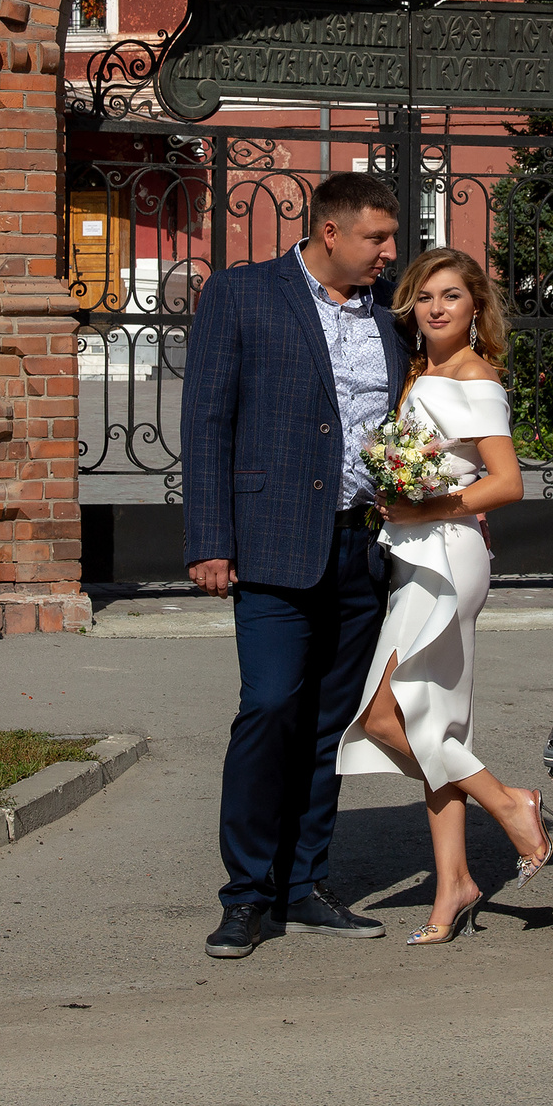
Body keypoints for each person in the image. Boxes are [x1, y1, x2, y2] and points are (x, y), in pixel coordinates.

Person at [183, 171, 407, 959]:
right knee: (270, 708)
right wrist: (210, 540)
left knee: (328, 727)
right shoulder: (244, 296)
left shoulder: (389, 321)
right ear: (331, 233)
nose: (389, 250)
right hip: (271, 542)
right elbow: (207, 418)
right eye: (378, 237)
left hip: (360, 549)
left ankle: (304, 882)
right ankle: (246, 894)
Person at [337, 246, 553, 946]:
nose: (436, 307)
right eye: (426, 295)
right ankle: (454, 883)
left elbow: (508, 483)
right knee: (433, 721)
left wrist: (431, 509)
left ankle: (507, 801)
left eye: (452, 296)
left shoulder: (475, 378)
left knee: (380, 716)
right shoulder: (421, 371)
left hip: (448, 558)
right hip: (414, 557)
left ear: (475, 308)